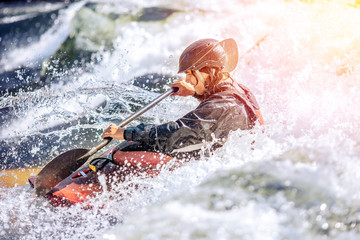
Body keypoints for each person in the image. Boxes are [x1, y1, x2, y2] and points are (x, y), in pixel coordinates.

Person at [102, 38, 264, 171]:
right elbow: (216, 113)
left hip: (221, 162)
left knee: (123, 152)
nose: (187, 80)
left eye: (189, 73)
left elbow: (174, 134)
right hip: (229, 152)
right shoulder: (236, 89)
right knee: (138, 142)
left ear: (204, 71)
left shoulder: (221, 106)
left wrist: (125, 133)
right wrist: (195, 92)